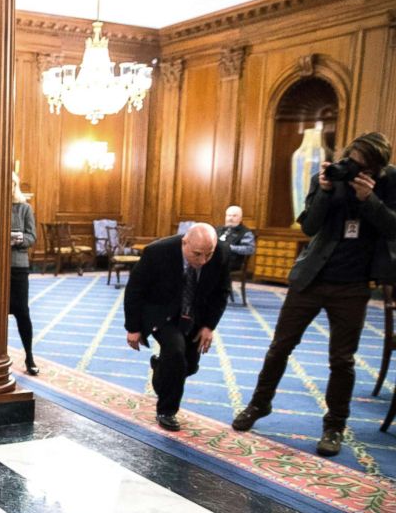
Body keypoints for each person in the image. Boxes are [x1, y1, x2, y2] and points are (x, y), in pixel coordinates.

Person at [232, 132, 396, 456]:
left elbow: (393, 228)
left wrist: (370, 201)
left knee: (341, 360)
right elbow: (308, 226)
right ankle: (258, 404)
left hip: (353, 285)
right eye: (352, 161)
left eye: (362, 167)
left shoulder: (389, 183)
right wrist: (323, 191)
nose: (352, 169)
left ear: (376, 169)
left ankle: (334, 426)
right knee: (279, 347)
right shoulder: (327, 175)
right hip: (311, 279)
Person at [124, 223, 231, 431]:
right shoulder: (157, 252)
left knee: (189, 366)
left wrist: (209, 326)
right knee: (175, 354)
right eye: (197, 254)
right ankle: (166, 411)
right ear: (185, 243)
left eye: (208, 254)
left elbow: (222, 292)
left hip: (195, 315)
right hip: (161, 313)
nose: (203, 261)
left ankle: (160, 367)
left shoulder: (221, 253)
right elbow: (134, 290)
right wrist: (133, 328)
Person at [10, 172, 39, 375]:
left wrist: (20, 239)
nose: (8, 187)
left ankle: (29, 356)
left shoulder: (24, 208)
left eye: (11, 183)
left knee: (22, 311)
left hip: (18, 266)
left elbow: (32, 236)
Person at [215, 205, 256, 272]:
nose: (230, 218)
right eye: (229, 215)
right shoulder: (218, 229)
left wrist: (230, 247)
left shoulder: (245, 232)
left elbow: (250, 249)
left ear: (240, 218)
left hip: (232, 261)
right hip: (217, 258)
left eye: (234, 216)